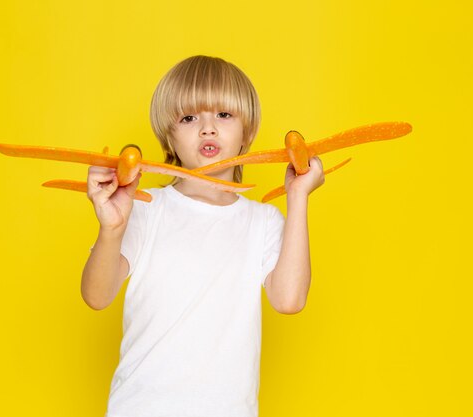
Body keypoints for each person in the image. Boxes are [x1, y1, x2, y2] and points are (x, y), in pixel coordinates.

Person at [81, 55, 325, 417]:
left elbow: (289, 300)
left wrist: (298, 196)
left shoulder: (263, 222)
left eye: (224, 115)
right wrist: (111, 227)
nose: (208, 129)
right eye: (189, 117)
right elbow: (96, 295)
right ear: (169, 136)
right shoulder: (145, 208)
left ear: (248, 132)